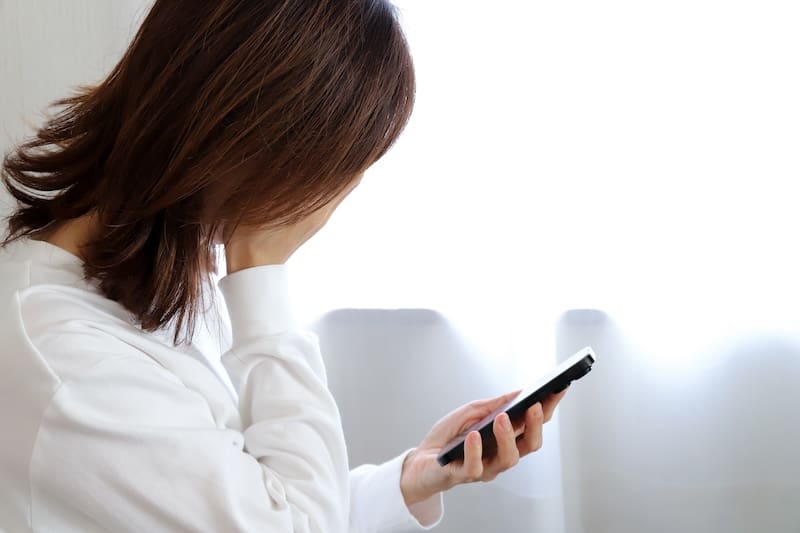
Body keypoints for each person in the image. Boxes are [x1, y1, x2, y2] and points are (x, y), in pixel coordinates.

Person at [0, 1, 566, 531]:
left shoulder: (156, 273)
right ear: (260, 144)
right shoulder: (68, 361)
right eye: (339, 169)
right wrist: (262, 275)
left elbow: (249, 498)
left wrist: (410, 480)